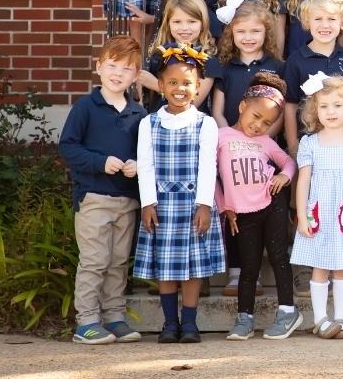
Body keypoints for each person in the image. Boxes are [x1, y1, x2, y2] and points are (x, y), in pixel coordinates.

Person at [133, 42, 224, 343]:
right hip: (162, 205)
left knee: (192, 267)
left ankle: (190, 323)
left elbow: (208, 166)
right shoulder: (149, 123)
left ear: (197, 88)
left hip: (193, 204)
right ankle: (170, 323)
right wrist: (148, 203)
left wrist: (204, 205)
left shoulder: (205, 123)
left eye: (186, 83)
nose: (179, 89)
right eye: (172, 83)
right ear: (160, 86)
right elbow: (145, 165)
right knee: (167, 266)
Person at [60, 35, 146, 345]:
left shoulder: (139, 114)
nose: (117, 73)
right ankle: (86, 322)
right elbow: (68, 147)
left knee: (118, 262)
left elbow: (145, 154)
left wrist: (137, 164)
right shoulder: (86, 107)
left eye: (126, 68)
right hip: (94, 197)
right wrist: (100, 162)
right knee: (95, 261)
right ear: (98, 67)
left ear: (136, 75)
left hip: (127, 200)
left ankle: (114, 317)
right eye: (112, 65)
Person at [290, 75, 343, 339]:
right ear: (314, 110)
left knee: (342, 267)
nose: (331, 111)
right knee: (320, 266)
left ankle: (340, 319)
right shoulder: (310, 143)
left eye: (337, 105)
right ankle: (321, 320)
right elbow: (303, 181)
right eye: (324, 106)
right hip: (320, 214)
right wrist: (302, 216)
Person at [215, 72, 301, 341]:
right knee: (248, 266)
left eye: (267, 123)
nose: (258, 125)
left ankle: (288, 312)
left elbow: (289, 162)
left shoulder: (266, 142)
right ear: (243, 106)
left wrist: (284, 177)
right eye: (256, 116)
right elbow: (210, 176)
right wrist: (224, 207)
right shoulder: (220, 136)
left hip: (272, 202)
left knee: (278, 257)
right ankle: (245, 318)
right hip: (241, 212)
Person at [282, 0, 343, 147]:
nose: (325, 25)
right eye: (318, 19)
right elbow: (290, 106)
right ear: (307, 22)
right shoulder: (295, 61)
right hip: (308, 144)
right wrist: (293, 147)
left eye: (331, 19)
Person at [211, 0, 285, 136]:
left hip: (263, 142)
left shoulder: (278, 67)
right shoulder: (224, 67)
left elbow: (280, 112)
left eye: (255, 31)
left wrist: (263, 140)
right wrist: (230, 137)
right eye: (241, 31)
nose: (248, 37)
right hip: (230, 140)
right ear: (231, 33)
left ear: (266, 32)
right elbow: (217, 112)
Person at [136, 0, 221, 112]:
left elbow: (192, 103)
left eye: (192, 21)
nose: (184, 28)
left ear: (203, 23)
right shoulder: (160, 54)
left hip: (190, 122)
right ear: (168, 23)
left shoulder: (208, 61)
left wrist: (156, 85)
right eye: (177, 22)